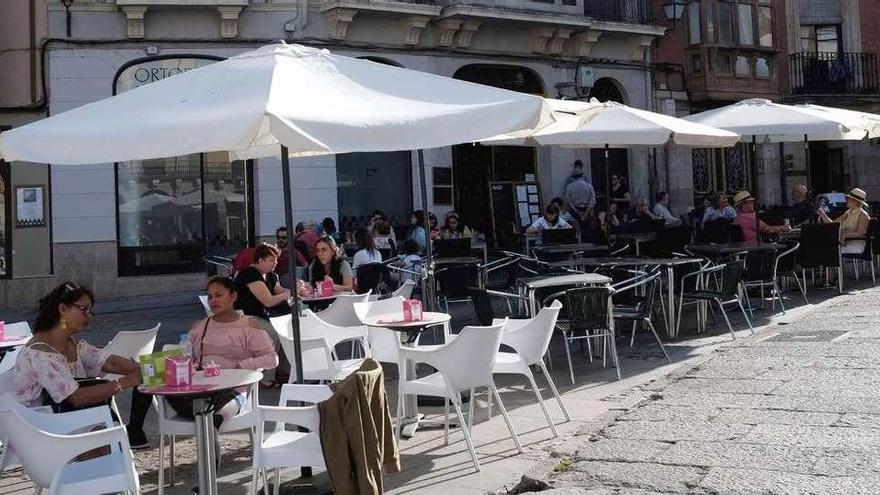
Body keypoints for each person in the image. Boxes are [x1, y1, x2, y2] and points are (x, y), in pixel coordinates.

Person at [13, 282, 152, 448]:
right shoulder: (40, 353)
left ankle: (130, 437)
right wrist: (126, 382)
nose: (89, 316)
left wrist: (143, 368)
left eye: (90, 310)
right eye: (84, 309)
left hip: (71, 420)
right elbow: (76, 397)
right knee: (109, 439)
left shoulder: (70, 343)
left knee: (110, 435)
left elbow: (106, 360)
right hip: (44, 430)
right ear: (63, 309)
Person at [166, 276, 278, 453]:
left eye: (218, 295)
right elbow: (186, 354)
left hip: (235, 389)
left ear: (233, 296)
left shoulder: (248, 324)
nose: (213, 301)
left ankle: (211, 430)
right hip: (202, 389)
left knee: (219, 408)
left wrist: (243, 365)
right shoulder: (201, 326)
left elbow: (271, 359)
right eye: (210, 297)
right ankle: (207, 426)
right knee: (167, 391)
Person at [233, 243, 291, 385]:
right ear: (260, 260)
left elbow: (279, 290)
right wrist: (286, 295)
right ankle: (265, 377)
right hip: (244, 316)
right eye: (272, 260)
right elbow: (268, 301)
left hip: (261, 315)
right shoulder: (250, 274)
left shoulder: (271, 275)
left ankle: (282, 370)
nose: (275, 263)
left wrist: (297, 288)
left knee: (286, 331)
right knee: (272, 334)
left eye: (276, 260)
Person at [818, 187, 871, 254]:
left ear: (855, 201)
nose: (846, 200)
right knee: (821, 246)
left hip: (855, 244)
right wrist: (823, 214)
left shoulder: (863, 215)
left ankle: (832, 264)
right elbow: (833, 225)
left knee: (827, 250)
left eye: (848, 198)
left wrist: (844, 235)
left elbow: (860, 233)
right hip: (843, 243)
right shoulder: (848, 212)